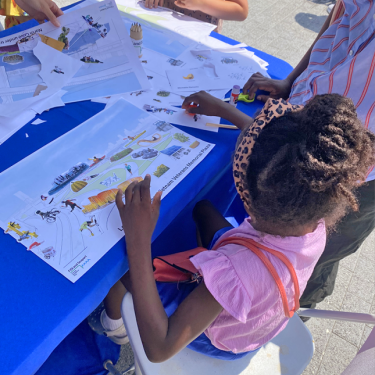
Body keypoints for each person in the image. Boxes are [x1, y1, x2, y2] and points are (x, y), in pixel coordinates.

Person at [89, 94, 375, 360]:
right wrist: (225, 110)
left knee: (123, 278)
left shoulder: (238, 274)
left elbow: (160, 348)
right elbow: (272, 148)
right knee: (203, 209)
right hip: (259, 300)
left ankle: (114, 327)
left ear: (249, 199)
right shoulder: (315, 216)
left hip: (222, 340)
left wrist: (138, 241)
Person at [183, 0, 375, 310]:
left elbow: (160, 346)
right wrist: (292, 81)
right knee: (293, 249)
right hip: (309, 128)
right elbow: (339, 19)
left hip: (352, 165)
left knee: (314, 266)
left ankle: (292, 312)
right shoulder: (293, 234)